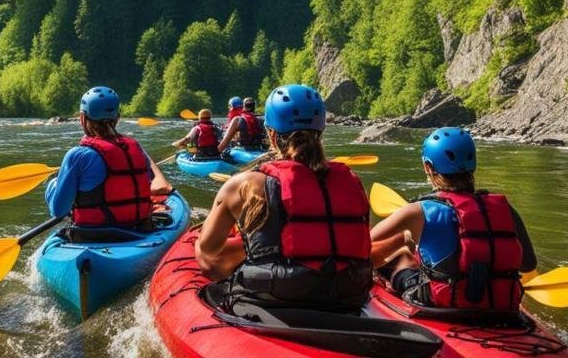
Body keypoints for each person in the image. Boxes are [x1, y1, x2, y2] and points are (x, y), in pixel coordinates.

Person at [195, 84, 372, 313]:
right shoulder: (352, 181)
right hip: (347, 295)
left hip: (276, 298)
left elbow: (209, 249)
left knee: (203, 255)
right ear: (321, 131)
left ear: (271, 134)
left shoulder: (245, 184)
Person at [369, 127, 535, 310]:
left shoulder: (418, 210)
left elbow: (361, 244)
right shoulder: (504, 208)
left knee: (402, 260)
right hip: (500, 304)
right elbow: (528, 265)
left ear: (428, 167)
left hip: (441, 302)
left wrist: (404, 240)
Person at [46, 86, 174, 236]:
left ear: (82, 118)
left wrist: (54, 185)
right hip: (139, 230)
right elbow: (156, 182)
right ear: (117, 117)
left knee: (53, 184)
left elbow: (58, 211)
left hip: (93, 236)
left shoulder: (77, 156)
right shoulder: (134, 147)